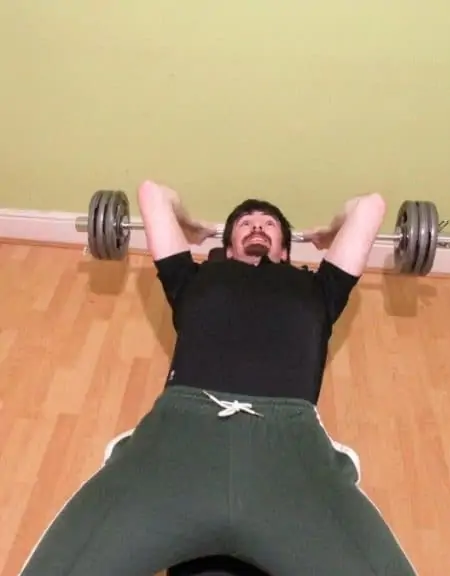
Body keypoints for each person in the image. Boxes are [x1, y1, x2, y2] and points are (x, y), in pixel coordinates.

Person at [19, 181, 418, 576]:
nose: (257, 226)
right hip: (180, 441)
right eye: (245, 223)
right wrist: (190, 228)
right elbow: (153, 193)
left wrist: (329, 235)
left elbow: (369, 205)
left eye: (269, 224)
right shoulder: (192, 279)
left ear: (285, 249)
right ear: (227, 248)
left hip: (289, 457)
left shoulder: (320, 288)